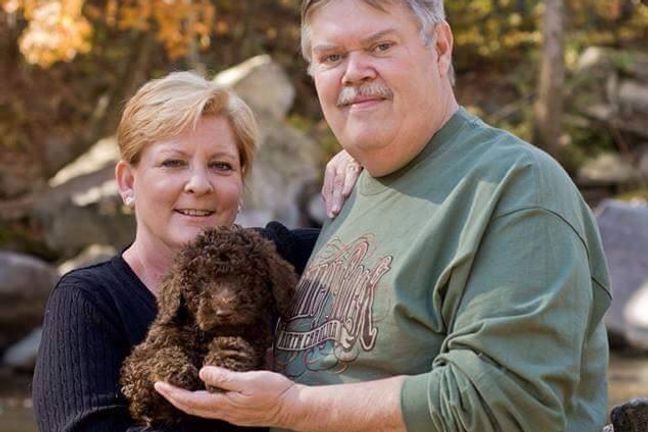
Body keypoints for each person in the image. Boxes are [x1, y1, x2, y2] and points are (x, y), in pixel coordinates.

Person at [155, 1, 613, 431]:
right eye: (332, 57)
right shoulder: (353, 189)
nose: (354, 72)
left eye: (380, 46)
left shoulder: (516, 187)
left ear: (440, 48)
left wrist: (292, 407)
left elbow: (507, 402)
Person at [31, 70, 359, 432]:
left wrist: (363, 157)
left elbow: (377, 235)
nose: (200, 184)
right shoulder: (87, 301)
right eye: (173, 162)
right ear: (127, 182)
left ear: (241, 182)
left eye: (221, 165)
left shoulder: (271, 258)